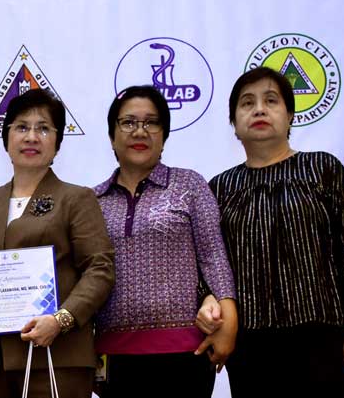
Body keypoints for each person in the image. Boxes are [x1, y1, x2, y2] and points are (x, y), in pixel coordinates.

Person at [208, 66, 344, 397]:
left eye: (271, 100)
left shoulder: (323, 169)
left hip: (320, 339)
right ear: (234, 125)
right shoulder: (220, 188)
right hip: (249, 345)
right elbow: (208, 260)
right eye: (247, 103)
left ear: (290, 117)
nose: (259, 109)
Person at [0, 89, 115, 398]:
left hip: (57, 356)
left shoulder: (77, 199)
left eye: (43, 128)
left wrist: (62, 320)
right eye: (21, 127)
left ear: (57, 144)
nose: (32, 137)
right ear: (6, 138)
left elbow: (99, 270)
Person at [92, 85, 237, 397]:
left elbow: (213, 255)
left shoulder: (189, 184)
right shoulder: (92, 200)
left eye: (151, 122)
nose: (139, 131)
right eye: (128, 122)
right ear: (111, 135)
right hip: (113, 357)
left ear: (164, 134)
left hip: (186, 353)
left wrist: (228, 320)